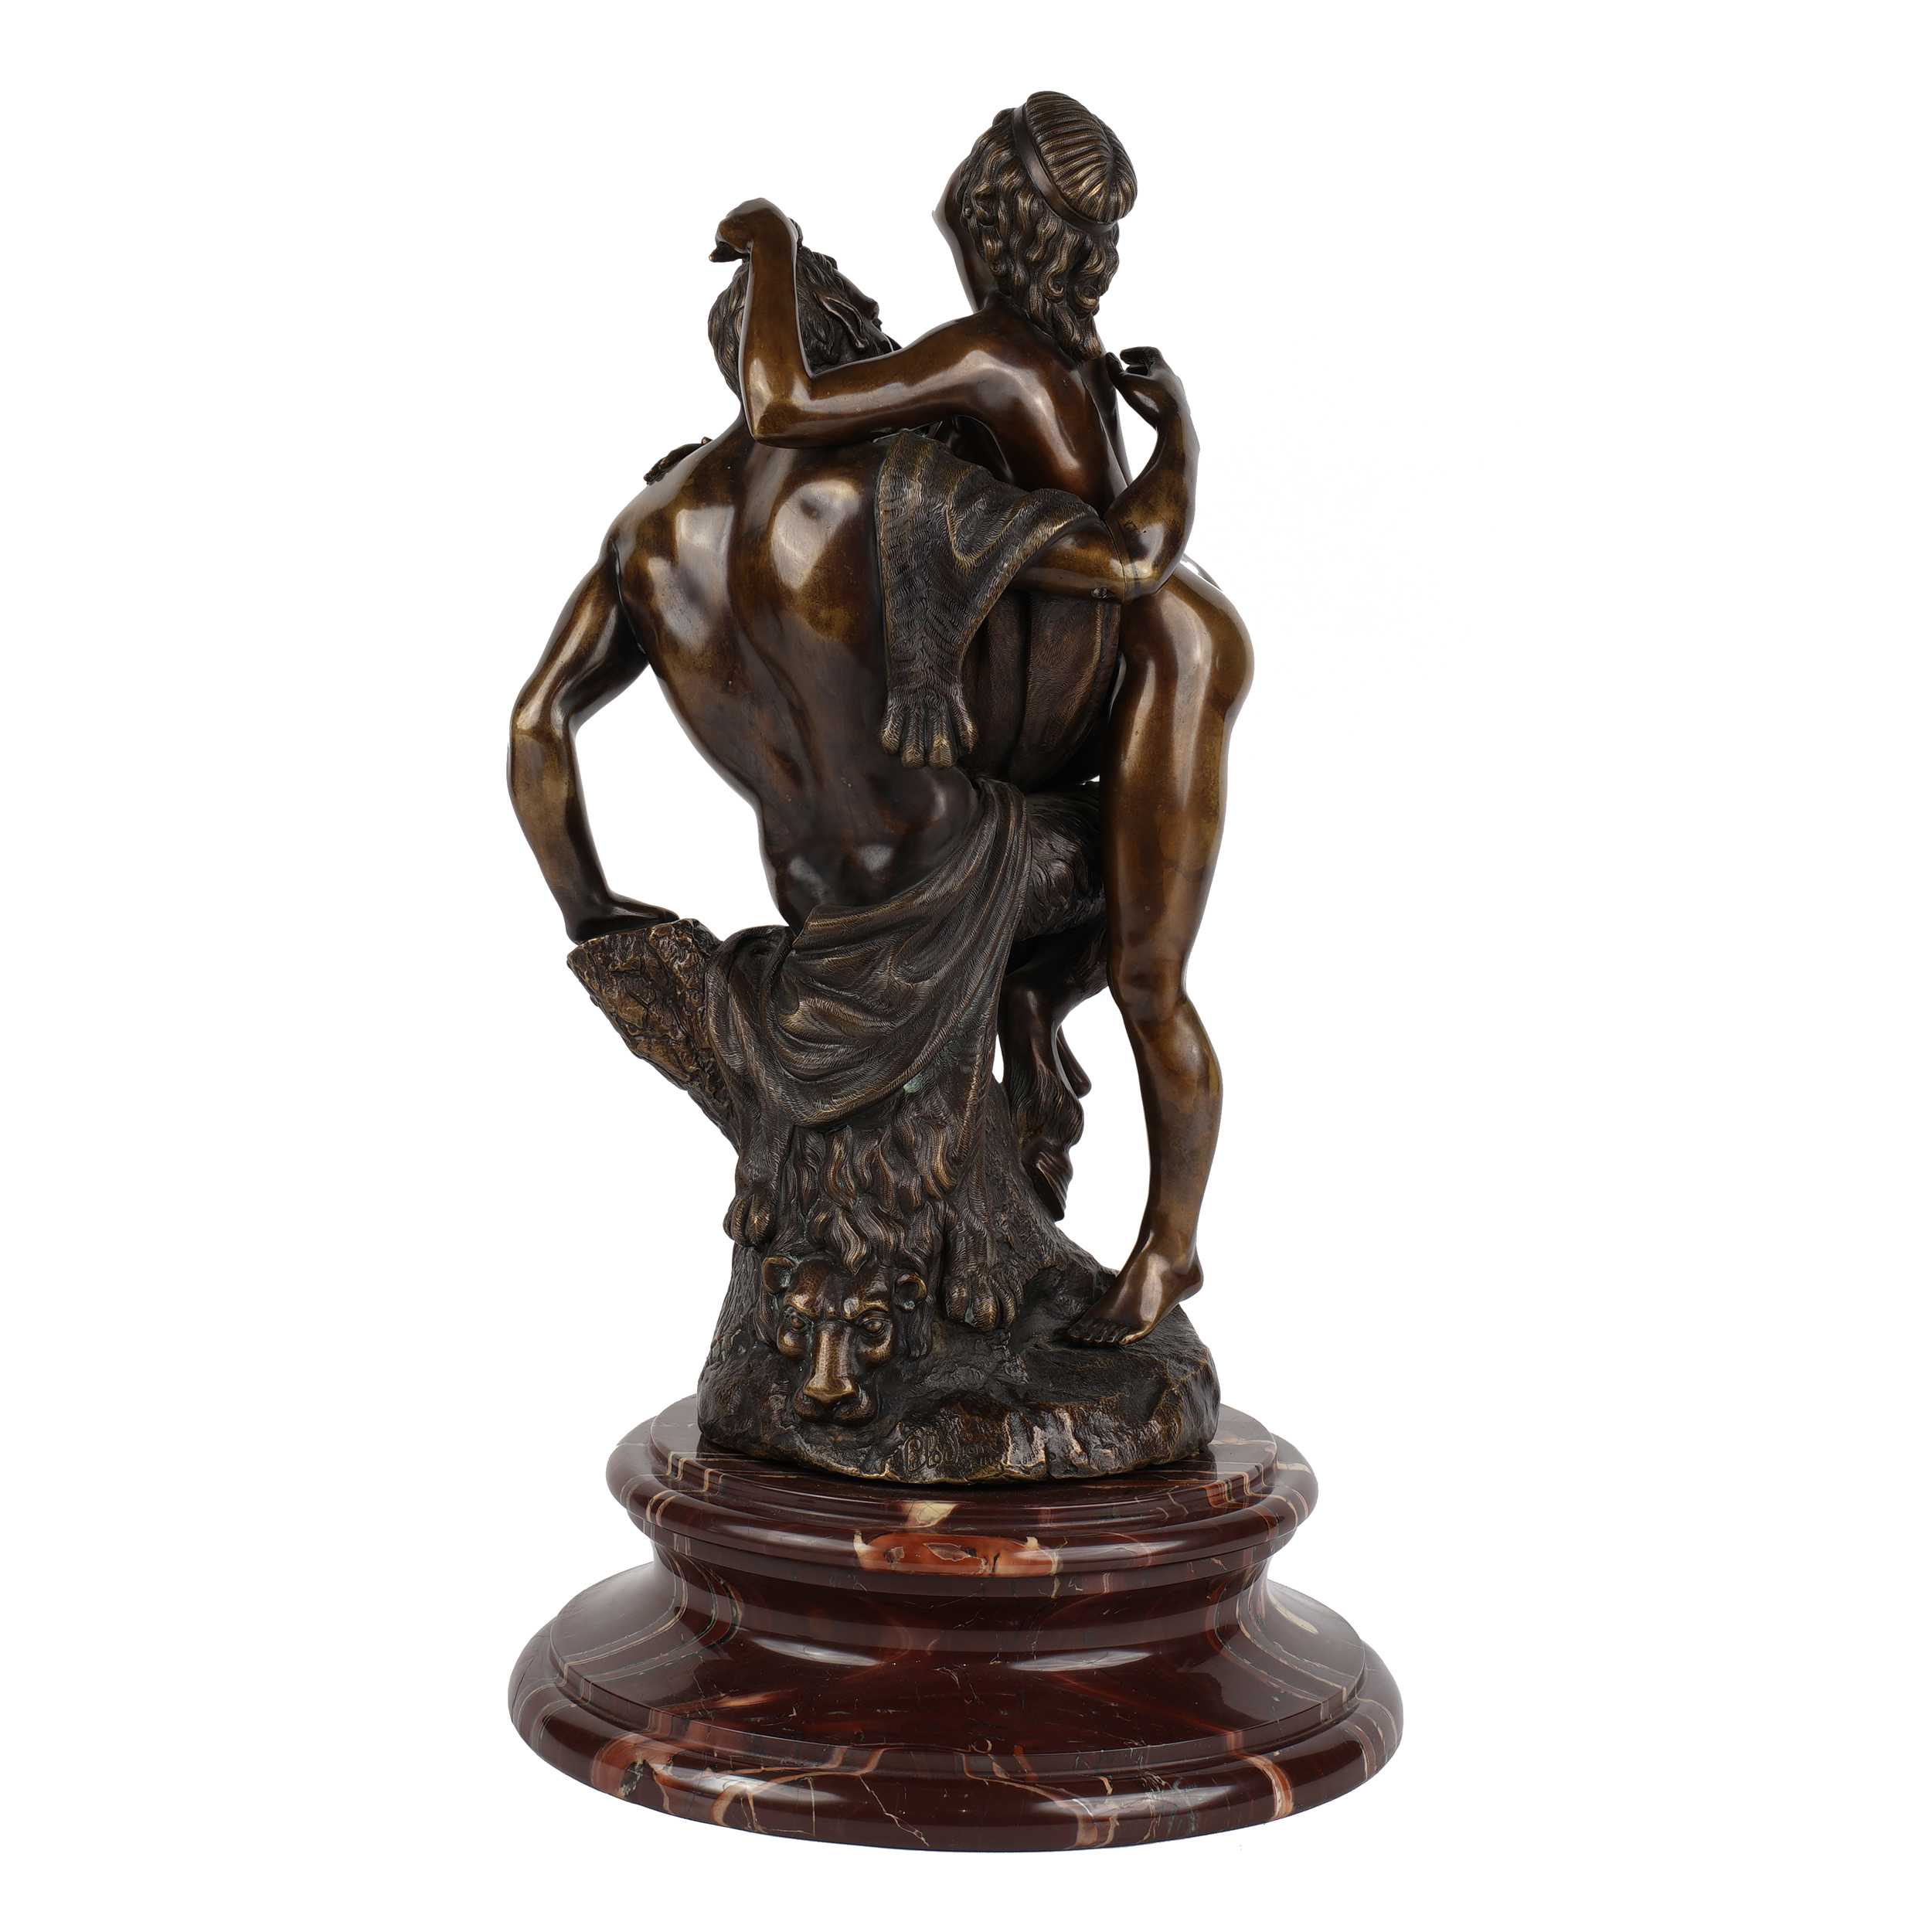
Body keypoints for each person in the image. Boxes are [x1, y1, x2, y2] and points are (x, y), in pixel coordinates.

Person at [715, 92, 1254, 1345]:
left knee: (1149, 979)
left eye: (965, 210)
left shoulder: (999, 355)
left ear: (998, 222)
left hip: (1167, 661)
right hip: (1123, 649)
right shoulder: (1054, 357)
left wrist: (774, 245)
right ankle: (1032, 1058)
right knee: (1040, 947)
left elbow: (785, 406)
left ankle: (1170, 1250)